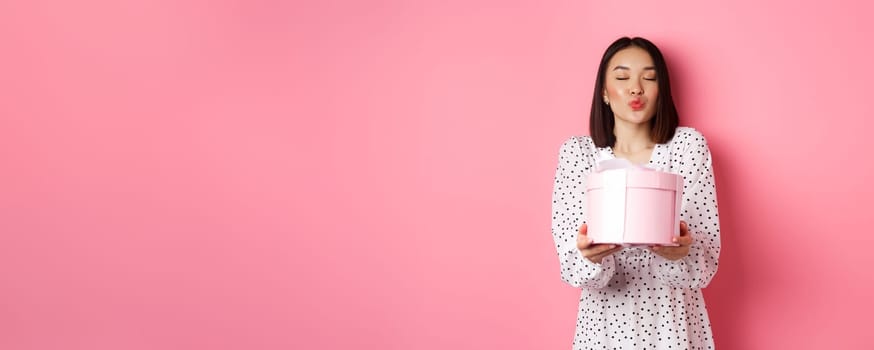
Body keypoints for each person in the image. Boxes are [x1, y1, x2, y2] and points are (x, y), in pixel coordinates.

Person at [551, 36, 721, 349]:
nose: (635, 88)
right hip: (603, 327)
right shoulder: (578, 154)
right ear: (604, 91)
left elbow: (704, 262)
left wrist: (679, 253)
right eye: (622, 77)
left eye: (650, 77)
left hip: (673, 324)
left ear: (662, 90)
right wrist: (589, 258)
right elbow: (572, 265)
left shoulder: (687, 148)